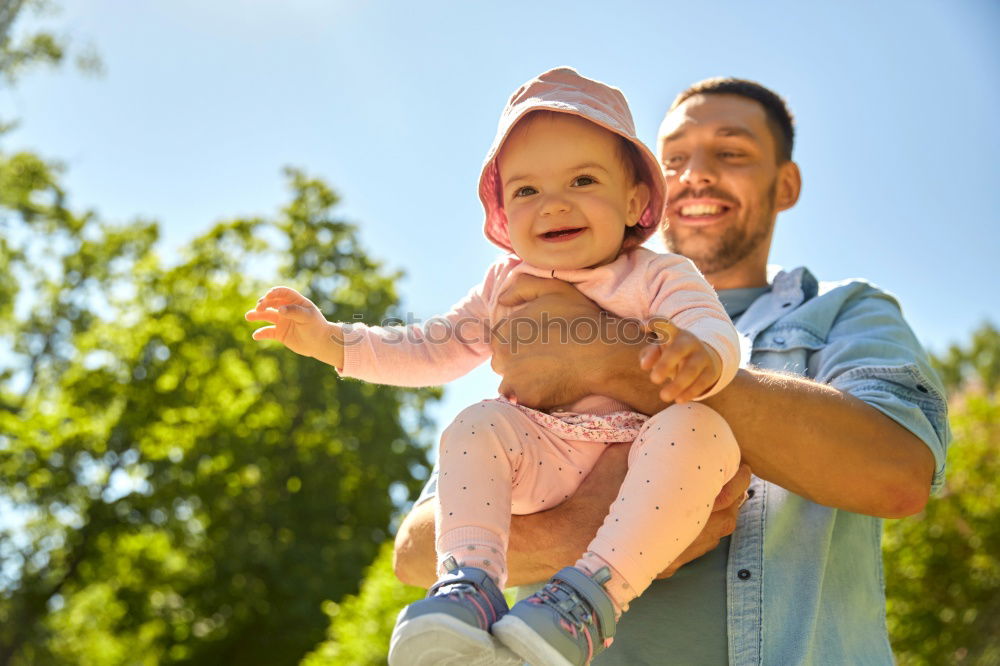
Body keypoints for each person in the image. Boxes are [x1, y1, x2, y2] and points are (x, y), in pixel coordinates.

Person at [394, 77, 951, 665]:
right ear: (646, 186)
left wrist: (607, 357)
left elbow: (897, 472)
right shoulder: (539, 300)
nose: (697, 174)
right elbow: (415, 551)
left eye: (731, 152)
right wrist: (597, 534)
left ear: (786, 184)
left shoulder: (843, 311)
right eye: (676, 158)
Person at [247, 67, 750, 666]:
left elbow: (712, 329)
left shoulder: (660, 275)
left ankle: (587, 601)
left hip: (644, 455)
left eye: (583, 179)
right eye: (527, 191)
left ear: (636, 199)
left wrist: (701, 354)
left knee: (704, 431)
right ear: (505, 216)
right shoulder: (505, 284)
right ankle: (470, 587)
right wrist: (335, 341)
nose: (553, 204)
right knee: (475, 424)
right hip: (544, 451)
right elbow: (433, 345)